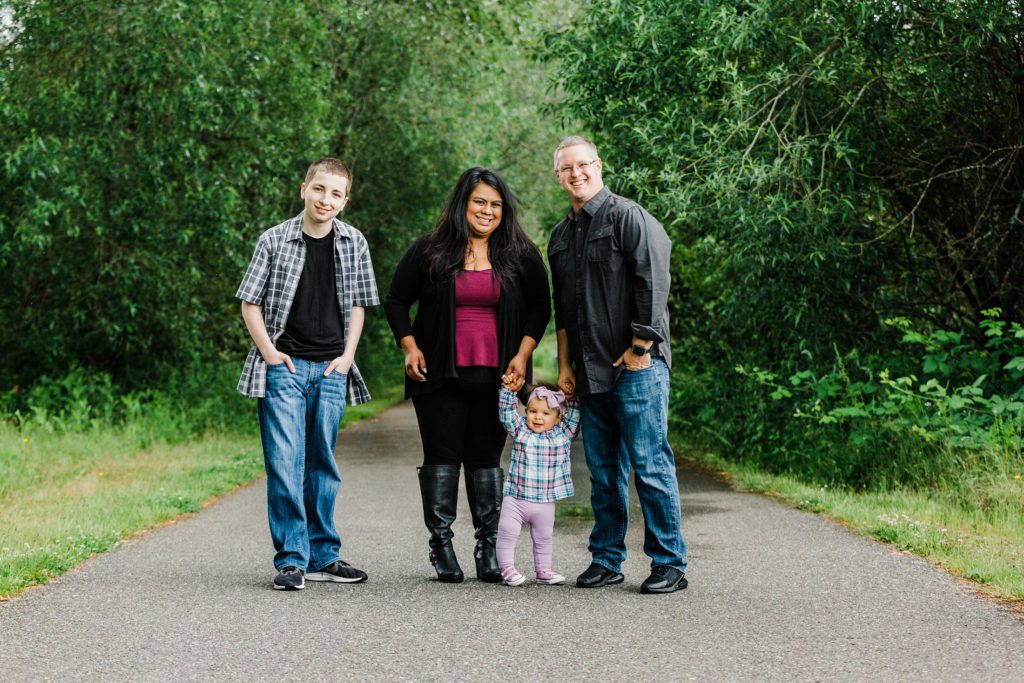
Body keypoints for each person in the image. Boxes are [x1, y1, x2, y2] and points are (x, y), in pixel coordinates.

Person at [385, 167, 550, 584]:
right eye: (480, 201)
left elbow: (540, 307)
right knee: (442, 458)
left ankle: (489, 548)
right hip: (438, 374)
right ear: (463, 203)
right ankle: (441, 543)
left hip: (500, 378)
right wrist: (410, 346)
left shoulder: (519, 252)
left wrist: (523, 354)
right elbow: (396, 300)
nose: (487, 210)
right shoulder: (430, 249)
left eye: (495, 204)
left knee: (485, 460)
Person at [547, 135, 688, 594]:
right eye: (567, 169)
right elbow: (564, 310)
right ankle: (607, 559)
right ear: (558, 177)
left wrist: (641, 347)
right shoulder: (560, 236)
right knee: (604, 472)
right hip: (589, 372)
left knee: (650, 464)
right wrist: (564, 366)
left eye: (583, 165)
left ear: (598, 165)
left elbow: (655, 278)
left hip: (636, 368)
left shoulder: (626, 216)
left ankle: (669, 563)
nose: (576, 174)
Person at [236, 157, 378, 591]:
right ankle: (292, 559)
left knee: (323, 465)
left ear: (345, 200)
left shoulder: (354, 243)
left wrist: (347, 356)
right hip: (285, 369)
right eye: (319, 189)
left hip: (332, 368)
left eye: (336, 193)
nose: (326, 199)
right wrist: (271, 353)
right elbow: (250, 302)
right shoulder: (275, 240)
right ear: (304, 189)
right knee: (284, 463)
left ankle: (324, 556)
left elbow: (358, 306)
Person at [495, 380, 579, 586]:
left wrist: (574, 397)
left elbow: (575, 417)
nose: (537, 417)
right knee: (507, 532)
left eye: (545, 413)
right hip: (516, 498)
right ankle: (506, 569)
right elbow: (507, 415)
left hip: (545, 501)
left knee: (543, 538)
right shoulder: (520, 429)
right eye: (532, 411)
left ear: (559, 417)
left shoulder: (563, 434)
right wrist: (508, 392)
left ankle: (543, 570)